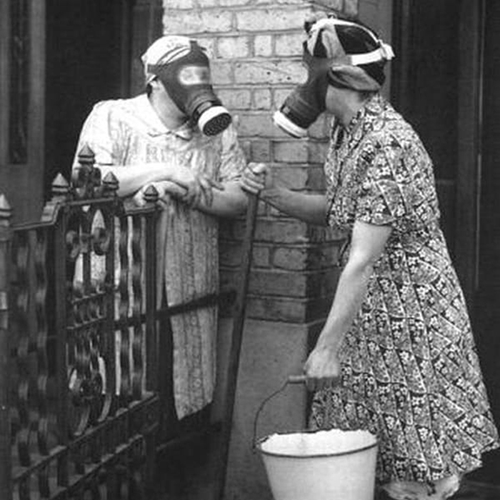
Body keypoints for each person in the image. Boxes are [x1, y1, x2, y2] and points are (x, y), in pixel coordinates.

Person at [242, 14, 499, 500]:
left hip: (409, 316)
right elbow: (340, 212)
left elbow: (362, 256)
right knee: (369, 454)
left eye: (309, 70)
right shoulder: (347, 131)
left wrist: (326, 347)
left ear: (332, 75)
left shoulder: (388, 142)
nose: (303, 83)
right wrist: (274, 193)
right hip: (370, 315)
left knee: (418, 466)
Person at [72, 35, 248, 433]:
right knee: (116, 386)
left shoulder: (217, 131)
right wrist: (167, 171)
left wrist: (188, 191)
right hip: (121, 280)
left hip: (188, 286)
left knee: (177, 396)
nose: (197, 83)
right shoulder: (114, 116)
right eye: (186, 74)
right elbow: (90, 180)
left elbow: (237, 201)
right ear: (154, 79)